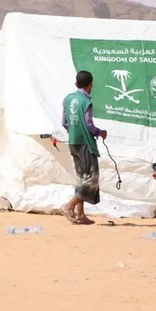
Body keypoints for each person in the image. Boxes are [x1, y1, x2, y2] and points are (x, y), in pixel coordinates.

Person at [60, 70, 107, 225]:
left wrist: (75, 129)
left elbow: (64, 122)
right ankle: (69, 206)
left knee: (81, 179)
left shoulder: (67, 99)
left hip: (73, 142)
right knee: (92, 179)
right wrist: (99, 132)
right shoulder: (86, 101)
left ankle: (80, 215)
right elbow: (89, 125)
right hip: (86, 143)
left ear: (76, 84)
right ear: (90, 85)